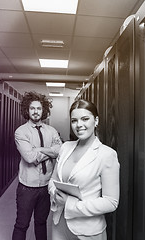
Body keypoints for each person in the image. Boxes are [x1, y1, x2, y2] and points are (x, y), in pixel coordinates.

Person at [48, 99, 120, 240]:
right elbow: (53, 180)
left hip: (88, 231)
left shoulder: (106, 154)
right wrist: (54, 192)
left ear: (96, 120)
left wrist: (68, 203)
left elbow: (111, 202)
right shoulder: (65, 147)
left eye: (85, 119)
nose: (79, 125)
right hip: (59, 224)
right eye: (74, 120)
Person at [12, 91, 62, 240]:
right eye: (32, 108)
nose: (35, 112)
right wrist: (50, 151)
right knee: (22, 224)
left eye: (38, 108)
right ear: (27, 110)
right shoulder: (21, 132)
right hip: (27, 187)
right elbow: (29, 157)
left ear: (44, 110)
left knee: (41, 223)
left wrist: (39, 149)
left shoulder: (51, 131)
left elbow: (60, 151)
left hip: (46, 186)